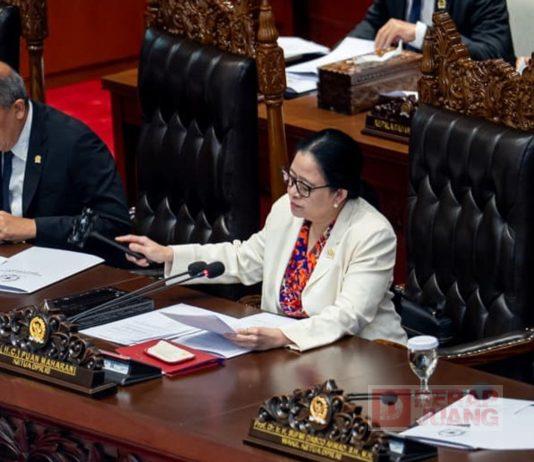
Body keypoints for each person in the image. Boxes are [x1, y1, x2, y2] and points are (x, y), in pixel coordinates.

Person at [117, 129, 407, 352]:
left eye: (304, 186)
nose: (292, 191)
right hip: (291, 354)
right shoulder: (287, 210)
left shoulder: (371, 233)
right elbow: (244, 258)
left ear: (339, 194)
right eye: (290, 177)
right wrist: (169, 254)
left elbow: (348, 315)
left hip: (362, 355)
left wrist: (283, 336)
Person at [0, 62, 130, 261]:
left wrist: (32, 227)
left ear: (18, 109)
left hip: (63, 263)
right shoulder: (5, 132)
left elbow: (113, 225)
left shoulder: (74, 143)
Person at [348, 0, 515, 64]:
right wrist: (338, 59)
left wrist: (422, 36)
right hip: (399, 88)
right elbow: (373, 25)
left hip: (459, 101)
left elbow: (494, 54)